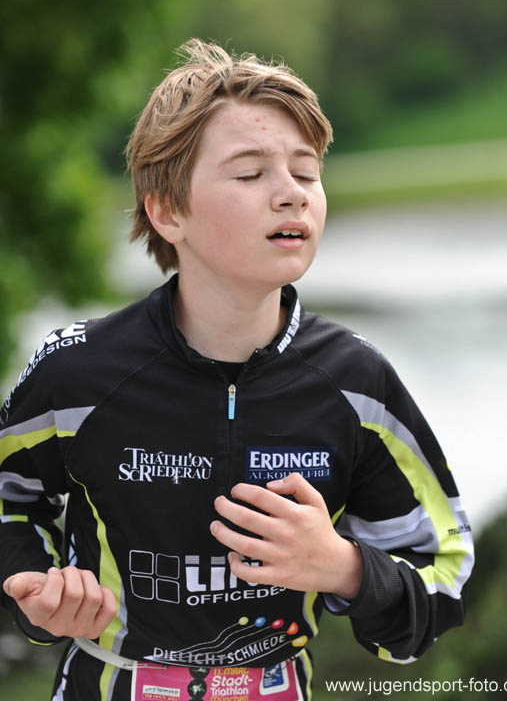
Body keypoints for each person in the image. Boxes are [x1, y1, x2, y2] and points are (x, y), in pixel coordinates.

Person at [0, 40, 474, 701]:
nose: (291, 195)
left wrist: (343, 568)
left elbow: (445, 572)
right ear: (168, 212)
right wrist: (37, 596)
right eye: (250, 174)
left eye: (306, 172)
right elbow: (11, 506)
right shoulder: (75, 372)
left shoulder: (358, 382)